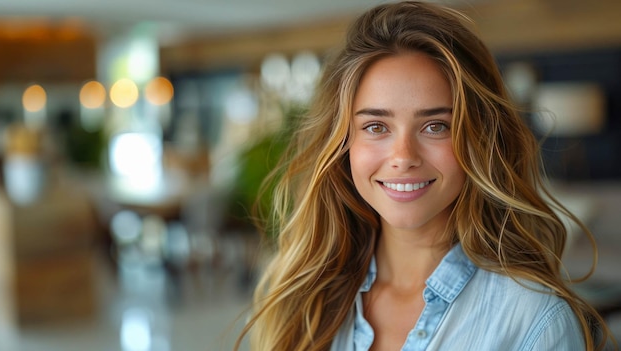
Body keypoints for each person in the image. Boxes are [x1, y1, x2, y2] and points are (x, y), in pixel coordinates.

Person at [235, 1, 616, 350]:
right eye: (376, 127)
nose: (403, 157)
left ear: (479, 140)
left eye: (435, 126)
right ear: (343, 142)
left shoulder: (535, 321)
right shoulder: (305, 300)